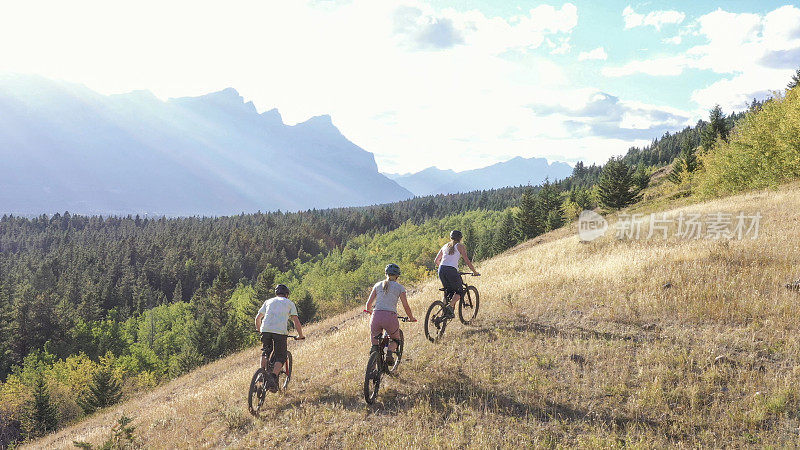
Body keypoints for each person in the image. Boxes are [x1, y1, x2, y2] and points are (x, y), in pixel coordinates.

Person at [254, 284, 305, 392]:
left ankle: (262, 374)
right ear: (286, 294)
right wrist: (300, 335)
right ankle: (272, 377)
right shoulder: (289, 303)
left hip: (265, 330)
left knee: (265, 352)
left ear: (276, 294)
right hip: (280, 333)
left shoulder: (268, 301)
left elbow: (258, 318)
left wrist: (260, 330)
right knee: (281, 356)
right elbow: (296, 321)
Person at [364, 263, 416, 367]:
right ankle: (389, 353)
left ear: (386, 274)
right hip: (390, 317)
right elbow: (406, 306)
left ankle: (372, 367)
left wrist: (370, 312)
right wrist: (411, 318)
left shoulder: (377, 285)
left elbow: (368, 304)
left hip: (376, 316)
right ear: (397, 276)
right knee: (395, 339)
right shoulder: (399, 287)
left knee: (375, 344)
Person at [434, 230, 480, 319]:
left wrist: (445, 267)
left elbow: (436, 261)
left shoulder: (445, 246)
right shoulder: (460, 246)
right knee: (459, 291)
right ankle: (450, 307)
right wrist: (474, 272)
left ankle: (443, 314)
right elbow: (467, 261)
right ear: (460, 238)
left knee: (448, 292)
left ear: (451, 237)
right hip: (451, 270)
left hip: (441, 270)